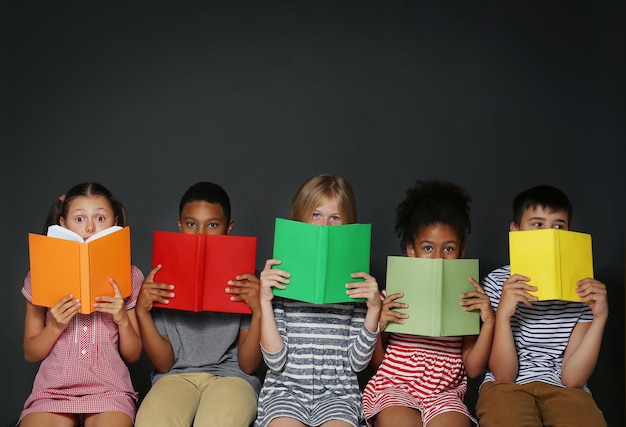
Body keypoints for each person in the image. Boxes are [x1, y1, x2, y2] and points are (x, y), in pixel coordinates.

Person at [362, 180, 494, 427]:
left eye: (449, 249)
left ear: (461, 251)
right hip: (394, 389)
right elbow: (377, 363)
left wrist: (488, 322)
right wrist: (379, 325)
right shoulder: (391, 295)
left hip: (445, 396)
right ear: (412, 250)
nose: (437, 257)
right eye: (428, 248)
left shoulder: (468, 299)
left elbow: (474, 369)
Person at [255, 174, 382, 427]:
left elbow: (357, 363)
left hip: (338, 394)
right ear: (301, 218)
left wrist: (374, 309)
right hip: (285, 392)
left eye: (334, 217)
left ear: (347, 224)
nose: (324, 225)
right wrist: (265, 302)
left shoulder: (356, 285)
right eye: (316, 214)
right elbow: (275, 361)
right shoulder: (282, 279)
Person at [475, 185, 608, 426]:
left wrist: (600, 317)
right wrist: (503, 315)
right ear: (515, 231)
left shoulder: (583, 289)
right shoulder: (496, 283)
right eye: (537, 224)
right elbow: (503, 375)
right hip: (507, 385)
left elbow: (573, 379)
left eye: (558, 226)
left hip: (564, 387)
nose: (549, 234)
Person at [134, 181, 262, 427]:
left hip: (232, 378)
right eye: (191, 224)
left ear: (229, 228)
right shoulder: (160, 279)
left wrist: (258, 311)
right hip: (175, 377)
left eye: (212, 225)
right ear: (180, 225)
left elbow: (248, 365)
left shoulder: (246, 280)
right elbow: (164, 364)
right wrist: (141, 311)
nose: (201, 234)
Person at [19, 182, 144, 427]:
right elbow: (30, 353)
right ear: (63, 224)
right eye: (79, 219)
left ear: (115, 222)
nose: (89, 227)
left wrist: (122, 319)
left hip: (110, 390)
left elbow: (134, 354)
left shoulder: (130, 276)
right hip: (52, 391)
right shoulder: (39, 275)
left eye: (100, 217)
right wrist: (55, 326)